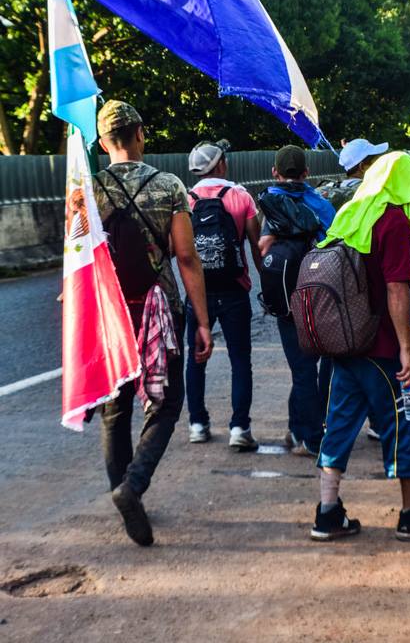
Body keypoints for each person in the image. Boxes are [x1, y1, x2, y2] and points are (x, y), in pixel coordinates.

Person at [310, 151, 410, 543]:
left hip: (346, 343)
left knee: (340, 423)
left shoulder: (352, 211)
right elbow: (397, 287)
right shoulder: (392, 218)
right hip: (381, 347)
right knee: (408, 420)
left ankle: (327, 512)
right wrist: (407, 350)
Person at [93, 100, 212, 546]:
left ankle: (123, 495)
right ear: (140, 134)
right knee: (165, 402)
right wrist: (202, 322)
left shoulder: (87, 189)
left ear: (104, 143)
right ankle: (133, 485)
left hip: (109, 310)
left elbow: (78, 260)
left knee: (116, 406)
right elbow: (186, 257)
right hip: (158, 308)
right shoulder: (169, 187)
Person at [186, 139, 262, 450]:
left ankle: (197, 424)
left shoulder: (185, 200)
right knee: (240, 359)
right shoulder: (240, 196)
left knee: (196, 358)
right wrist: (267, 286)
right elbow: (256, 247)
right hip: (234, 289)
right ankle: (239, 428)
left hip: (198, 292)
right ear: (221, 165)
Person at [259, 144, 335, 457]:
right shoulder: (320, 203)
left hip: (287, 298)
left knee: (301, 370)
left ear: (275, 172)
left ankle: (310, 438)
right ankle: (299, 428)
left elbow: (263, 250)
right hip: (319, 293)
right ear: (307, 173)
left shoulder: (272, 204)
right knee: (322, 364)